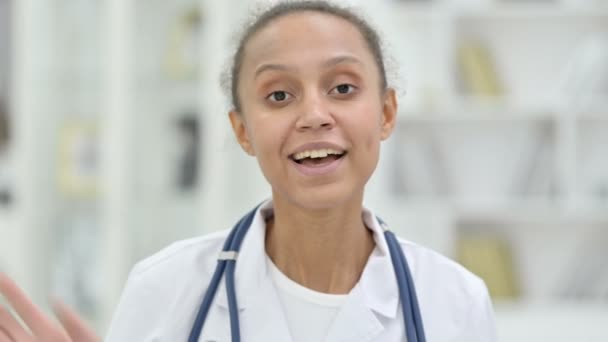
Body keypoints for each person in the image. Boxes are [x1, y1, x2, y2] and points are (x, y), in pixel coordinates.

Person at [0, 1, 497, 341]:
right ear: (242, 131)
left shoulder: (454, 301)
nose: (314, 115)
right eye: (279, 95)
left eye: (342, 88)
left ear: (386, 113)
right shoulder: (166, 288)